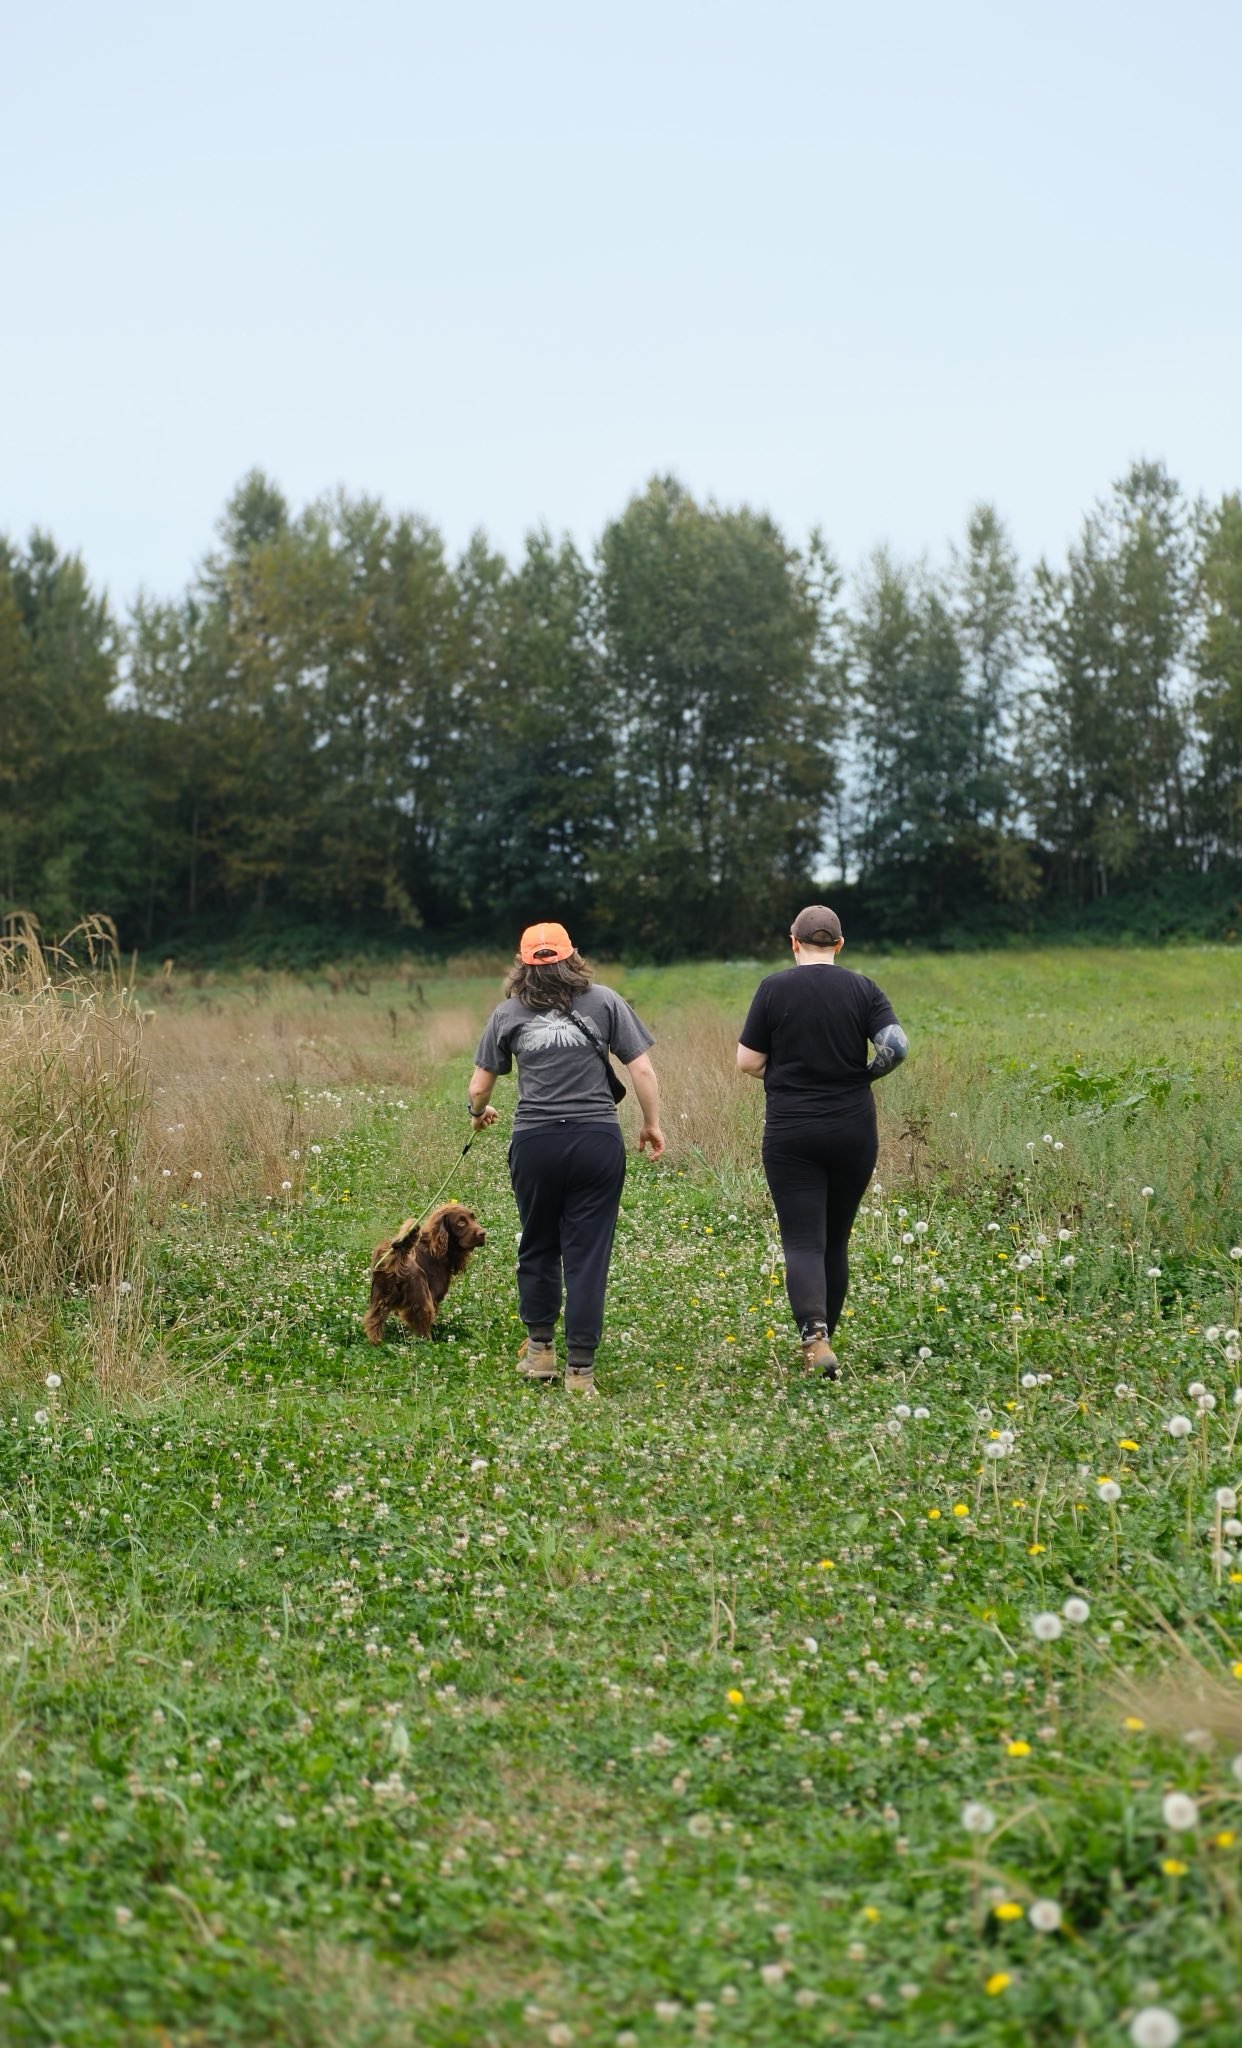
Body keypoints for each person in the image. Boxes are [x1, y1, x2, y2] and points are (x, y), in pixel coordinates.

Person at [468, 921, 665, 1397]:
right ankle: (580, 1371)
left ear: (521, 964)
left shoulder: (507, 1013)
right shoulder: (606, 1001)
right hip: (597, 1141)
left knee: (538, 1242)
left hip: (535, 1144)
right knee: (587, 1254)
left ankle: (539, 1353)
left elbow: (479, 1086)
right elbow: (640, 1067)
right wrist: (651, 1124)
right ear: (572, 955)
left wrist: (478, 1114)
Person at [736, 905, 907, 1379]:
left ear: (793, 942)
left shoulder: (773, 988)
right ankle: (825, 1339)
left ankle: (815, 1338)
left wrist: (790, 1073)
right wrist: (861, 1075)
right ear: (839, 945)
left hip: (792, 1131)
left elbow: (747, 1062)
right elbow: (897, 1045)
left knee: (802, 1241)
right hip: (853, 1129)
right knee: (835, 1240)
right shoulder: (862, 988)